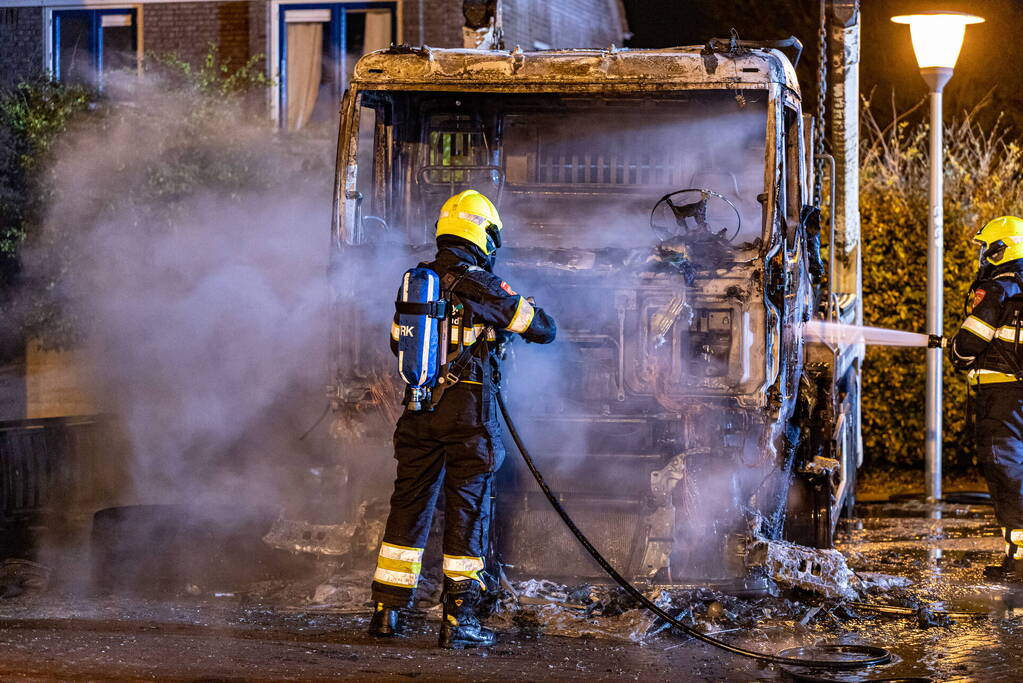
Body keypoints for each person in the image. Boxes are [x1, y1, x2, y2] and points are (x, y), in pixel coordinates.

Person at [369, 189, 557, 647]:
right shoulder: (479, 283)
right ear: (483, 234)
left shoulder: (417, 281)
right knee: (468, 507)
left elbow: (400, 344)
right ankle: (460, 620)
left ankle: (386, 614)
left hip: (417, 409)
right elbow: (542, 328)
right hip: (467, 411)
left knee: (409, 504)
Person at [949, 215, 1023, 579]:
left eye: (985, 248)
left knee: (1006, 471)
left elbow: (967, 346)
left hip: (1001, 397)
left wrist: (956, 351)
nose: (982, 256)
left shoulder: (1000, 289)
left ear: (1000, 249)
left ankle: (1021, 561)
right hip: (1017, 394)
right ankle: (1016, 558)